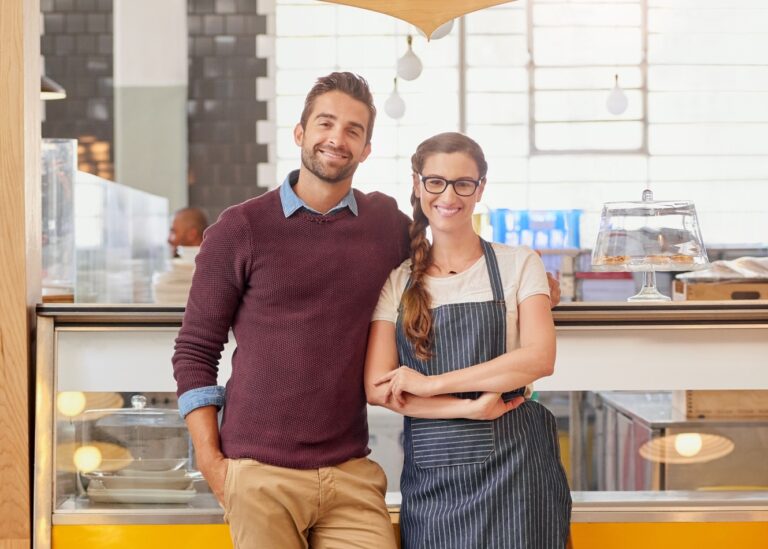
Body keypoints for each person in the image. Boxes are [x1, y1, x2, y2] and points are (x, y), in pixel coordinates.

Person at [172, 72, 562, 549]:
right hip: (258, 472)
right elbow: (195, 351)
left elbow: (453, 255)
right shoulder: (241, 228)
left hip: (350, 472)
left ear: (366, 149)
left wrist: (538, 286)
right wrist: (214, 467)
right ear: (300, 133)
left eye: (353, 130)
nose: (337, 139)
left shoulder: (386, 226)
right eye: (325, 124)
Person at [364, 132, 572, 548]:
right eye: (436, 181)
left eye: (464, 183)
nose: (449, 195)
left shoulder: (520, 263)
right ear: (417, 184)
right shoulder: (397, 281)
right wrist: (471, 408)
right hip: (435, 483)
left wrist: (431, 384)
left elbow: (538, 358)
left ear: (480, 189)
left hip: (518, 477)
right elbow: (378, 387)